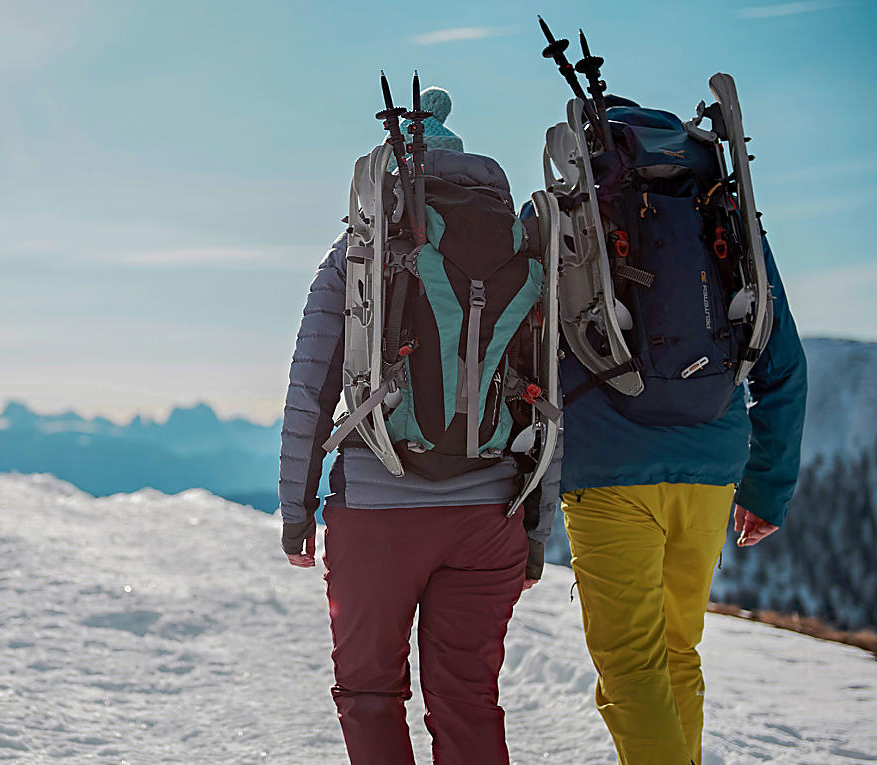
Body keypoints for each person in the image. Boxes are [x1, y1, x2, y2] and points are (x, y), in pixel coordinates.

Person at [278, 86, 555, 765]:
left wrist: (296, 510)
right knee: (468, 701)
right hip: (488, 513)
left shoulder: (361, 249)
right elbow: (547, 392)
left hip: (378, 507)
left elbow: (310, 386)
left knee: (370, 692)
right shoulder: (517, 245)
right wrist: (535, 530)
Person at [557, 237, 807, 762]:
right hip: (710, 467)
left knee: (631, 667)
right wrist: (767, 484)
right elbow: (781, 363)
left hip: (609, 468)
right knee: (676, 651)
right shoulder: (727, 218)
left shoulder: (565, 215)